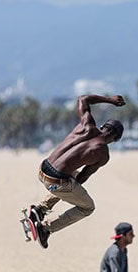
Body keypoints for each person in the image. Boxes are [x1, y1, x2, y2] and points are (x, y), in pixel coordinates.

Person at [28, 94, 126, 248]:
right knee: (87, 207)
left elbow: (83, 99)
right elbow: (82, 177)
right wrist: (71, 187)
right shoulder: (103, 154)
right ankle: (46, 228)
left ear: (102, 126)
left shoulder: (86, 124)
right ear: (114, 138)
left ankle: (40, 209)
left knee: (69, 177)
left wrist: (110, 101)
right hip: (55, 182)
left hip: (43, 168)